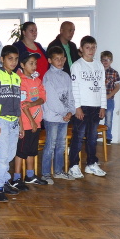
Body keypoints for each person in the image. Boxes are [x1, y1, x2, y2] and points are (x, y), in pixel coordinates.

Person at [0, 45, 23, 202]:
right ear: (2, 59)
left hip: (14, 121)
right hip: (1, 120)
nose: (13, 62)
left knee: (9, 154)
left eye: (16, 59)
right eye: (10, 59)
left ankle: (4, 181)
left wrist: (21, 124)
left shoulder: (17, 77)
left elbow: (18, 103)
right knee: (1, 156)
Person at [68, 36, 107, 178]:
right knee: (78, 137)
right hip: (82, 107)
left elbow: (102, 87)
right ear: (81, 49)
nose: (91, 50)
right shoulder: (77, 66)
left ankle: (91, 164)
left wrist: (103, 106)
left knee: (92, 137)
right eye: (87, 47)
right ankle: (73, 166)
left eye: (93, 47)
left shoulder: (99, 65)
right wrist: (77, 107)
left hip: (96, 107)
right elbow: (74, 88)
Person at [10, 52, 47, 190]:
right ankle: (16, 178)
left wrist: (33, 104)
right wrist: (31, 121)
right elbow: (22, 104)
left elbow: (43, 98)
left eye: (35, 63)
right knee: (21, 151)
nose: (34, 66)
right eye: (31, 63)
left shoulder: (37, 80)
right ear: (22, 65)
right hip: (26, 123)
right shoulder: (20, 80)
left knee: (32, 150)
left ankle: (30, 175)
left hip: (36, 121)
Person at [41, 46, 75, 184]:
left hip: (65, 117)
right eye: (56, 59)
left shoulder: (66, 76)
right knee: (50, 145)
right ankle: (45, 174)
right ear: (50, 60)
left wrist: (71, 111)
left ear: (65, 59)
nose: (60, 61)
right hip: (52, 118)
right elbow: (51, 100)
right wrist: (65, 113)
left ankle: (58, 171)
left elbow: (71, 95)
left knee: (61, 145)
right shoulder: (48, 77)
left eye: (62, 59)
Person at [101, 51, 120, 144]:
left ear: (111, 61)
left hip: (109, 100)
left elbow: (117, 87)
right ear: (101, 60)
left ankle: (108, 137)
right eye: (103, 59)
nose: (105, 61)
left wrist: (109, 95)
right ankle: (92, 135)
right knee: (95, 118)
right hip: (97, 100)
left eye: (108, 59)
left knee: (108, 118)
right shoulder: (98, 71)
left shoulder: (114, 73)